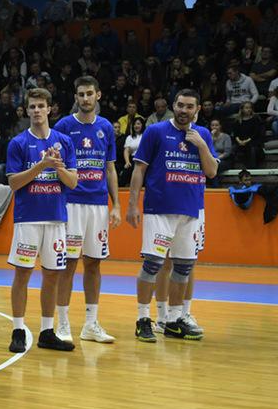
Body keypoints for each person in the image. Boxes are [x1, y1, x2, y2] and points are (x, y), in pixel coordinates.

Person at [126, 89, 218, 342]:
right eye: (180, 105)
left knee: (184, 267)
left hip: (191, 211)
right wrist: (132, 204)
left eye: (189, 106)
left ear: (197, 110)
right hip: (159, 209)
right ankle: (143, 319)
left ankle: (174, 320)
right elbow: (139, 169)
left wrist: (201, 146)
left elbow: (211, 172)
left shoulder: (203, 134)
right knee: (153, 265)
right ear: (173, 106)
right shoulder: (155, 131)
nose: (183, 110)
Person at [5, 88, 79, 353]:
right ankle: (18, 329)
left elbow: (73, 182)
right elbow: (14, 183)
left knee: (52, 275)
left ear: (50, 109)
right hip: (28, 219)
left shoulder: (64, 142)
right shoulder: (18, 143)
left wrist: (57, 166)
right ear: (27, 111)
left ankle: (47, 331)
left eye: (41, 106)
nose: (37, 111)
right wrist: (41, 165)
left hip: (56, 219)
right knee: (22, 273)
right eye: (32, 107)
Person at [52, 77, 121, 344]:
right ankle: (63, 323)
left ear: (98, 95)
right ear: (76, 97)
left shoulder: (106, 127)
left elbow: (110, 169)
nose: (85, 98)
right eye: (81, 94)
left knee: (93, 263)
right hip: (71, 204)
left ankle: (91, 324)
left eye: (89, 93)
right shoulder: (63, 126)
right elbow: (55, 167)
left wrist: (116, 205)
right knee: (68, 264)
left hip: (98, 206)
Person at [120, 117, 146, 187]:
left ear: (142, 125)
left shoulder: (146, 136)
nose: (136, 126)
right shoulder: (129, 137)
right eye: (134, 124)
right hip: (133, 159)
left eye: (138, 124)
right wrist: (127, 162)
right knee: (125, 173)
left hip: (144, 160)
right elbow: (126, 150)